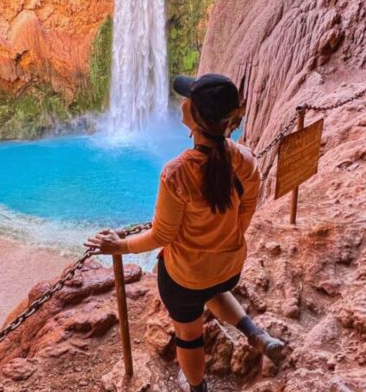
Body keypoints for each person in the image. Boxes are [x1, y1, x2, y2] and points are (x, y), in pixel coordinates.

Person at [86, 73, 285, 392]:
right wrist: (229, 237)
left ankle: (197, 387)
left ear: (196, 116)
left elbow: (160, 237)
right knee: (214, 289)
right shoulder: (242, 158)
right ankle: (256, 336)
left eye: (188, 98)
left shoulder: (177, 173)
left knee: (189, 334)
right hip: (228, 267)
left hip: (185, 278)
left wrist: (119, 246)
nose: (183, 101)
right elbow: (248, 202)